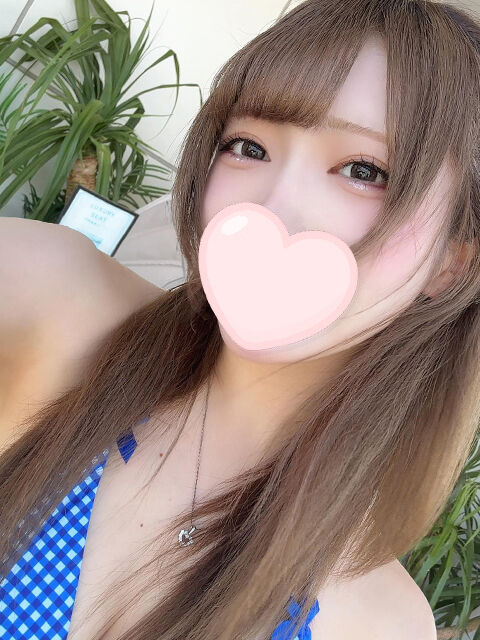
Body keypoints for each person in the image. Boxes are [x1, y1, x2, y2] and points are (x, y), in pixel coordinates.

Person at [1, 0, 479, 638]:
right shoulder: (54, 303)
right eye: (247, 147)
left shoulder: (379, 621)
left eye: (364, 171)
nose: (272, 207)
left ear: (453, 259)